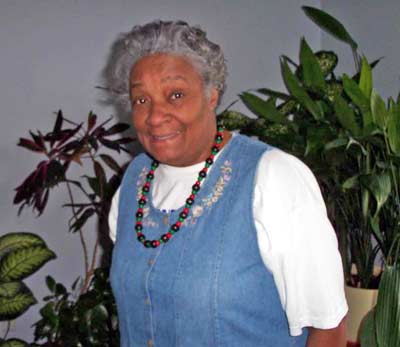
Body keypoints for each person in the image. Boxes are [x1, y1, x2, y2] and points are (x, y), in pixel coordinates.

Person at [105, 20, 348, 347]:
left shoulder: (274, 177)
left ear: (211, 95)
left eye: (175, 94)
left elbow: (328, 330)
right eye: (141, 100)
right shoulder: (132, 183)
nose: (155, 115)